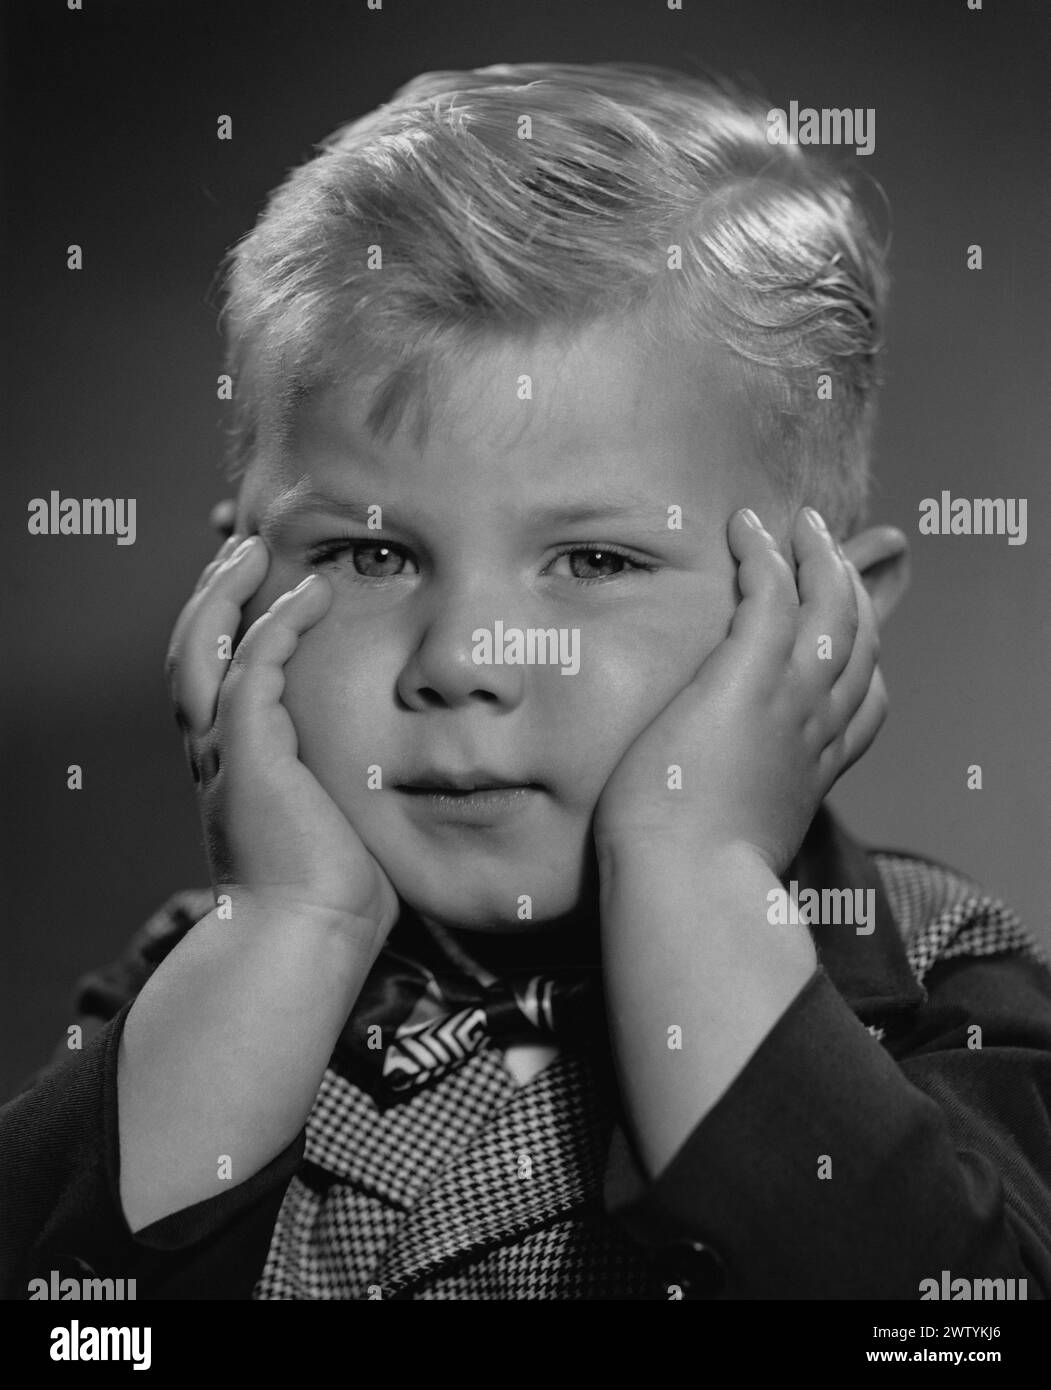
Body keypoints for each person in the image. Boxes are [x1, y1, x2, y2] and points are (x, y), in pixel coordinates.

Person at [3, 62, 1050, 1301]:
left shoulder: (940, 980)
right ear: (234, 595)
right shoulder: (205, 972)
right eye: (372, 552)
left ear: (825, 623)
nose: (464, 661)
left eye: (596, 558)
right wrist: (293, 926)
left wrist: (688, 871)